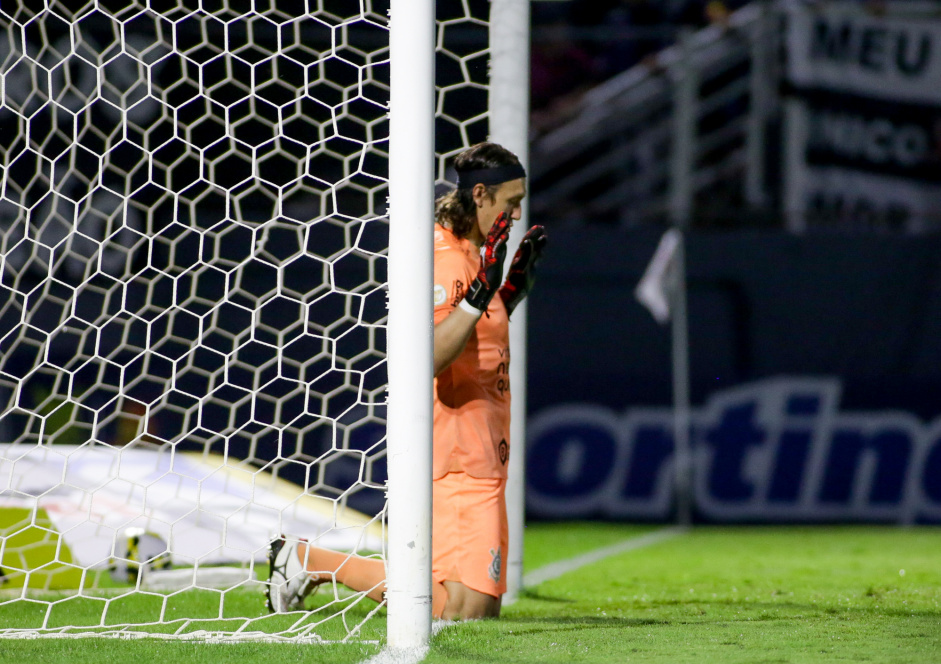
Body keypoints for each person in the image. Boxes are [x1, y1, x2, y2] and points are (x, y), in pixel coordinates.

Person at [266, 142, 547, 620]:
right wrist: (483, 292)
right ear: (480, 195)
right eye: (510, 202)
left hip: (482, 447)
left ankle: (306, 560)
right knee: (463, 611)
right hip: (458, 452)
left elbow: (475, 338)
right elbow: (429, 357)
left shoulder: (477, 252)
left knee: (464, 607)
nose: (518, 213)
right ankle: (311, 561)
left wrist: (509, 293)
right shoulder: (446, 257)